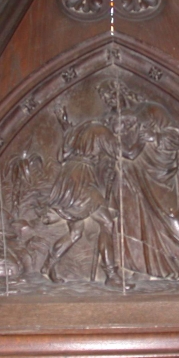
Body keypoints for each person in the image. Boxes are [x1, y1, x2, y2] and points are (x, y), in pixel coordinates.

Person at [97, 80, 179, 285]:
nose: (109, 100)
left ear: (120, 90)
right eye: (105, 98)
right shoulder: (109, 120)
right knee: (131, 222)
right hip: (128, 177)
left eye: (111, 94)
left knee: (172, 215)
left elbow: (176, 135)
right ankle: (141, 268)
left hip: (158, 175)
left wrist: (155, 136)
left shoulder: (151, 109)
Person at [41, 109, 133, 290]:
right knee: (107, 223)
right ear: (112, 120)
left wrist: (64, 123)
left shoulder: (79, 129)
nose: (123, 130)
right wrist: (142, 139)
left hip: (69, 177)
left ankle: (48, 265)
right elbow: (126, 153)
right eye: (123, 124)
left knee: (75, 232)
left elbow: (64, 152)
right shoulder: (101, 130)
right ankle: (112, 275)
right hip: (83, 179)